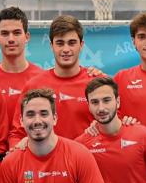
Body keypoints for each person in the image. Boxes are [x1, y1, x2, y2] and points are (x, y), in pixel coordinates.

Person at [0, 88, 105, 183]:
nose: (37, 121)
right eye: (30, 114)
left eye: (44, 113)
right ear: (21, 121)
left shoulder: (80, 155)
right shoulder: (11, 162)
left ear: (54, 118)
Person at [8, 15, 103, 146]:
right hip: (45, 165)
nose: (66, 49)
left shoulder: (98, 82)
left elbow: (116, 125)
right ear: (51, 45)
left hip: (89, 161)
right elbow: (17, 134)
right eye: (60, 43)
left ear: (81, 45)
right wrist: (18, 151)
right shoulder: (34, 85)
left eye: (71, 43)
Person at [0, 6, 44, 120]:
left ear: (27, 36)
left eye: (17, 33)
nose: (11, 39)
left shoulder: (42, 79)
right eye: (5, 33)